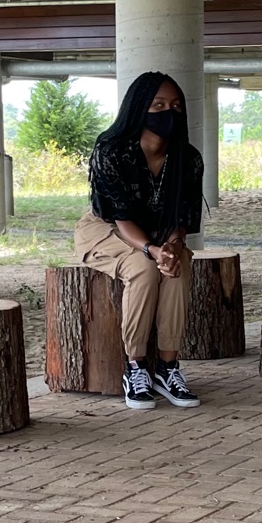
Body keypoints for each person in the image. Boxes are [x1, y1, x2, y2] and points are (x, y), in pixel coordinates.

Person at [78, 71, 205, 410]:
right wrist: (152, 249)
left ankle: (167, 367)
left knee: (178, 266)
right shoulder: (111, 150)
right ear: (138, 108)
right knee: (144, 267)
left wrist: (173, 247)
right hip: (107, 229)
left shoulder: (188, 158)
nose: (168, 112)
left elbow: (182, 217)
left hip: (161, 233)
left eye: (175, 106)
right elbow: (120, 218)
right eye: (158, 105)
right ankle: (135, 366)